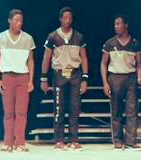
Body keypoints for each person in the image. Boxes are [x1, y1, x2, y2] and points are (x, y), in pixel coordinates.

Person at [40, 7, 88, 151]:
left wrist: (85, 78)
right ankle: (59, 139)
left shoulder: (79, 36)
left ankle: (74, 139)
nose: (67, 20)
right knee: (59, 107)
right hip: (59, 73)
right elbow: (46, 58)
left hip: (75, 74)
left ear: (72, 19)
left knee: (75, 107)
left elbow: (84, 58)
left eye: (70, 18)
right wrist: (43, 78)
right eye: (64, 18)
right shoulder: (52, 36)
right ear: (60, 18)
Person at [0, 9, 35, 152]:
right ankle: (7, 142)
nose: (19, 23)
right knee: (8, 112)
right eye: (16, 20)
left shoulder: (28, 38)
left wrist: (30, 80)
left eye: (21, 21)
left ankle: (20, 142)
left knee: (21, 111)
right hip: (7, 77)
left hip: (23, 77)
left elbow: (31, 60)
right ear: (9, 20)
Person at [100, 13, 141, 150]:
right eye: (115, 24)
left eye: (119, 24)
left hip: (131, 78)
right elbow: (103, 63)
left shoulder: (135, 43)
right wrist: (105, 83)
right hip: (115, 77)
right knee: (116, 110)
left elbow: (139, 64)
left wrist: (139, 76)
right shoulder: (109, 43)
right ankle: (117, 140)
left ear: (126, 25)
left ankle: (131, 141)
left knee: (132, 110)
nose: (116, 26)